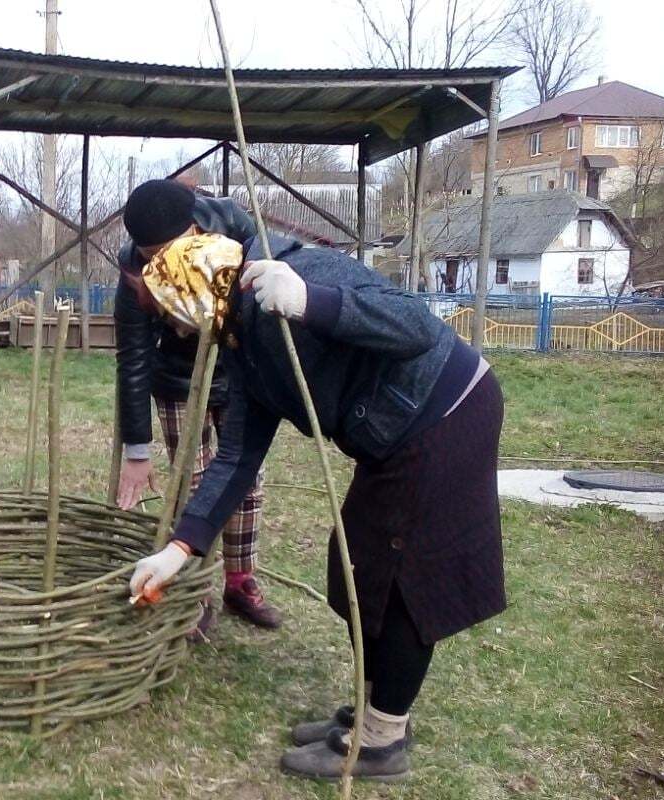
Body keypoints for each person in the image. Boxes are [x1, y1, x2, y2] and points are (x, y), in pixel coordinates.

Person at [124, 182, 505, 783]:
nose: (174, 328)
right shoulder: (242, 340)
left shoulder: (298, 275)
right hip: (395, 430)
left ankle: (381, 742)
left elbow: (415, 326)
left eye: (173, 312)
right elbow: (236, 458)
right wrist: (179, 549)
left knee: (398, 578)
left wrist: (311, 302)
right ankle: (377, 709)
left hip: (443, 412)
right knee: (357, 566)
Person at [113, 179, 283, 636]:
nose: (159, 266)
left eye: (166, 253)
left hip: (239, 370)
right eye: (150, 257)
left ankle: (240, 581)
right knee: (192, 482)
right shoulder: (132, 271)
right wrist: (136, 448)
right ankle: (195, 590)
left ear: (192, 230)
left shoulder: (234, 225)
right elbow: (133, 358)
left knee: (246, 480)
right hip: (176, 381)